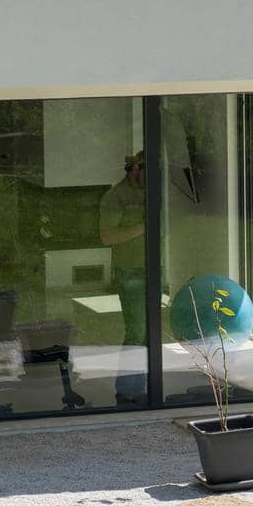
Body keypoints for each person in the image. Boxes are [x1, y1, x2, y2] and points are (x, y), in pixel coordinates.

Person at [100, 149, 148, 405]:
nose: (139, 172)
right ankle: (129, 393)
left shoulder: (150, 193)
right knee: (137, 331)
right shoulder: (116, 197)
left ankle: (143, 387)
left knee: (148, 332)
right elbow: (107, 236)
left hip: (152, 269)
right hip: (131, 272)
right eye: (137, 167)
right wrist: (144, 226)